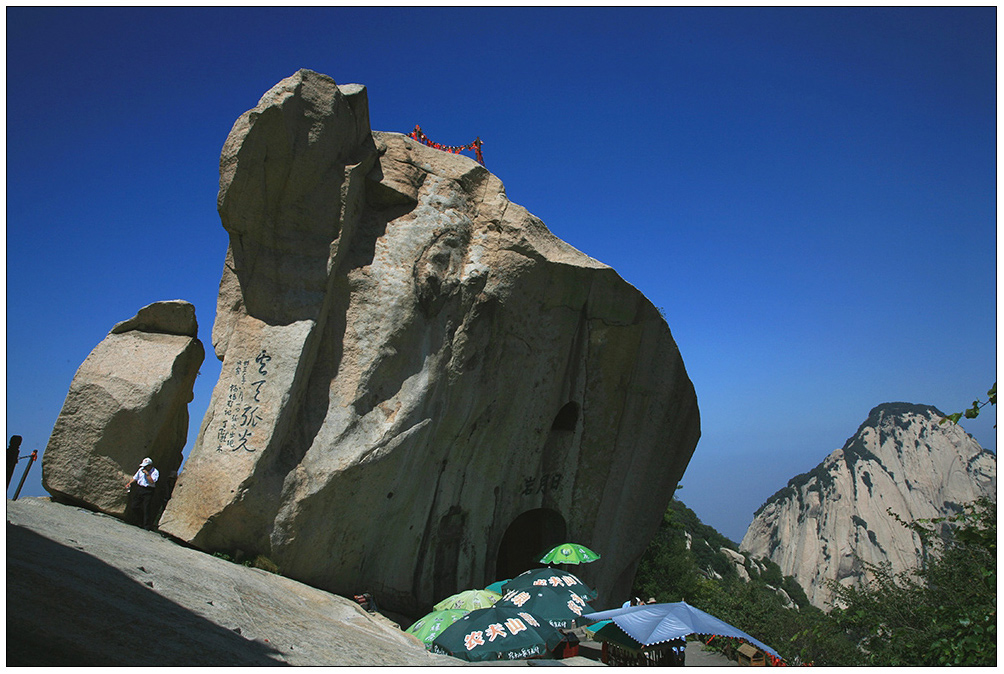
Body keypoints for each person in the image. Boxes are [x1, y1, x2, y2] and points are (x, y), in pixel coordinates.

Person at [127, 457, 159, 529]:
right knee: (134, 506)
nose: (144, 467)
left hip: (148, 490)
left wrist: (148, 474)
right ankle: (139, 520)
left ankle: (146, 525)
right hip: (140, 488)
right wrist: (129, 483)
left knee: (146, 507)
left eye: (146, 466)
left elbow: (152, 481)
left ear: (150, 466)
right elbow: (135, 477)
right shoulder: (141, 470)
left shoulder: (155, 472)